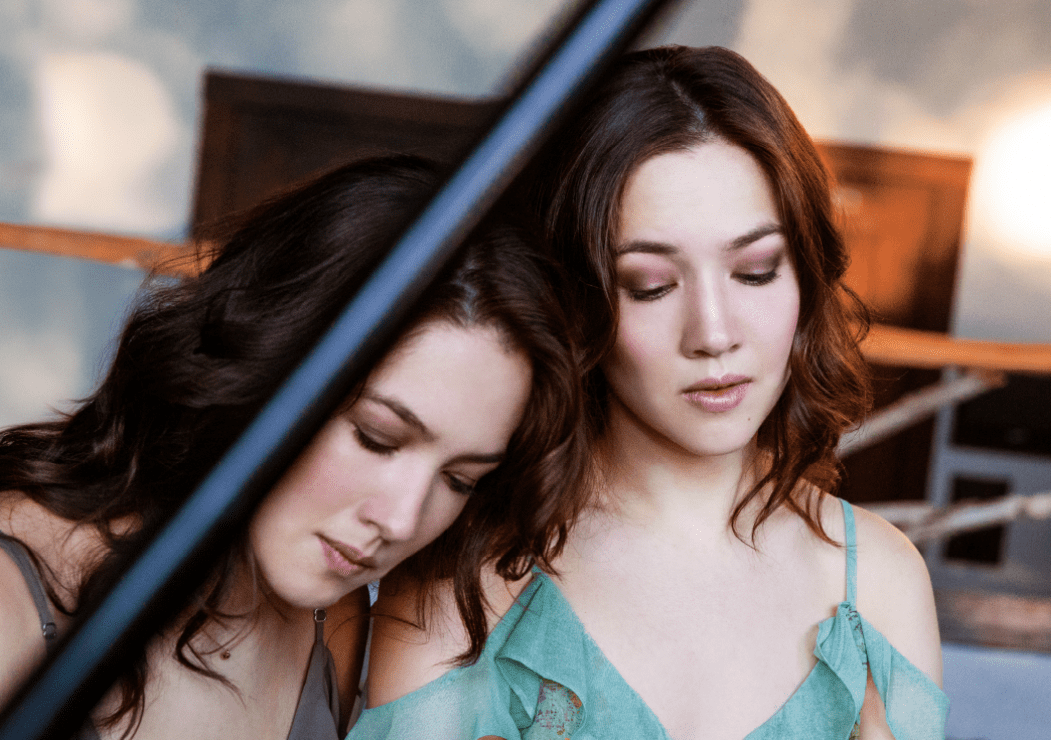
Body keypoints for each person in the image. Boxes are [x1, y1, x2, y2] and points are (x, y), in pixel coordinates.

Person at [358, 46, 947, 739]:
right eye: (651, 285)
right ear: (575, 302)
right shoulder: (464, 582)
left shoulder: (876, 580)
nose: (714, 333)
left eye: (756, 271)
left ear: (806, 278)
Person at [0, 155, 583, 740]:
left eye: (460, 479)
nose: (401, 521)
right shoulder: (16, 601)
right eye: (375, 438)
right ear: (263, 365)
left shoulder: (330, 616)